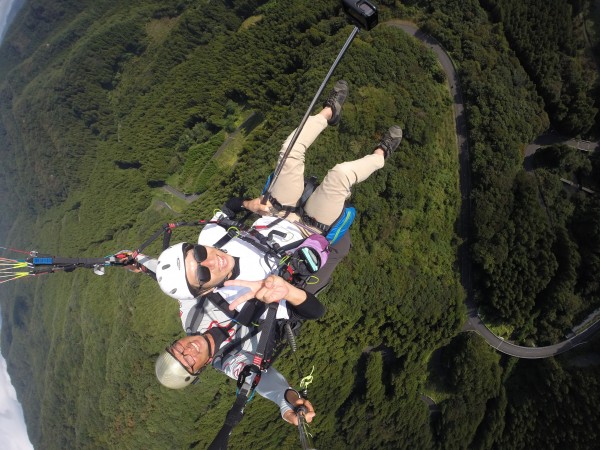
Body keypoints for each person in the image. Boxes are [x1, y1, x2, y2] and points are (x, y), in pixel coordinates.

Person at [134, 80, 403, 425]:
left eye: (177, 350)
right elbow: (263, 380)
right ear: (199, 370)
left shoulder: (190, 315)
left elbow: (179, 275)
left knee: (289, 149)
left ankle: (328, 112)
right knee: (339, 176)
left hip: (273, 217)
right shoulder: (233, 359)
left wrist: (137, 260)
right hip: (307, 238)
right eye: (187, 362)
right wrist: (288, 401)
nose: (188, 350)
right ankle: (382, 154)